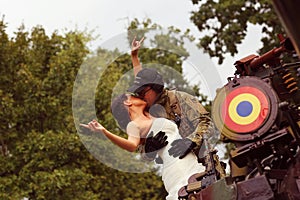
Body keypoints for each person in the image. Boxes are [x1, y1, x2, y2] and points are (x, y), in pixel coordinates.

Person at [128, 36, 226, 177]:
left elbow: (207, 123)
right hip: (178, 175)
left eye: (143, 92)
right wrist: (149, 148)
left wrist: (191, 141)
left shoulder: (180, 99)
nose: (141, 96)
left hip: (205, 168)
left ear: (155, 88)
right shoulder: (148, 115)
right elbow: (143, 154)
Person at [80, 93, 205, 200]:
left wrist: (134, 62)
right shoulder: (133, 125)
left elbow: (139, 75)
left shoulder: (151, 115)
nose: (140, 96)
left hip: (188, 159)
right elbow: (131, 146)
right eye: (134, 96)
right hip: (177, 168)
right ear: (128, 102)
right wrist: (105, 131)